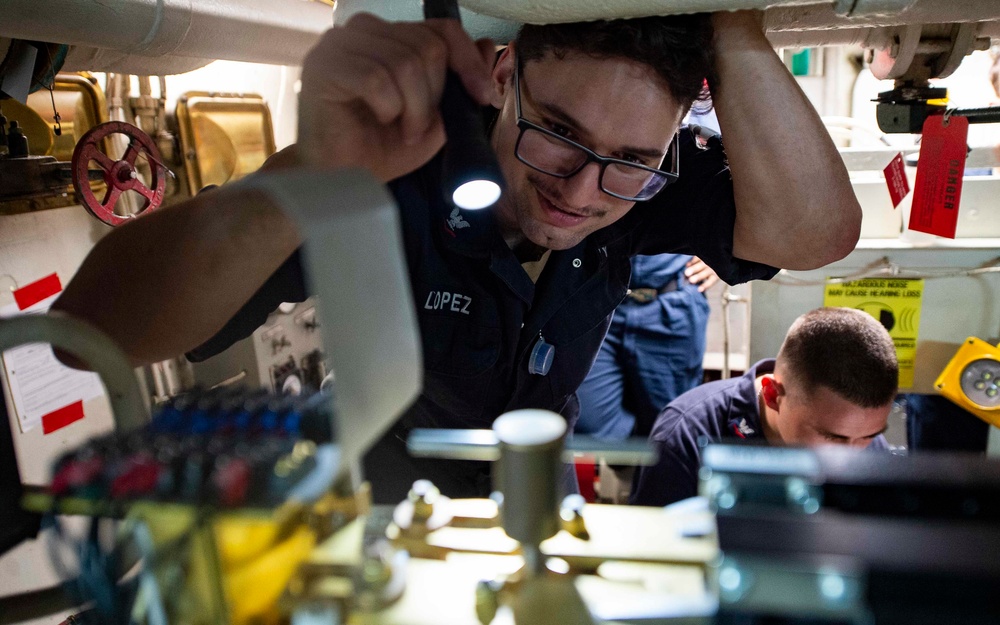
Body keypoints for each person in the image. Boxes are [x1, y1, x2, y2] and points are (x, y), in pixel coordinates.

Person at [53, 11, 862, 503]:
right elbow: (90, 332)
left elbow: (816, 231)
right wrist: (308, 175)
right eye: (559, 134)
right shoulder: (397, 174)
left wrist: (729, 23)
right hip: (380, 491)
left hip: (531, 484)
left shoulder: (635, 185)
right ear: (504, 75)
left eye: (628, 159)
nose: (582, 192)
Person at [630, 307, 897, 507]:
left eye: (870, 435)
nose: (848, 456)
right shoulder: (687, 434)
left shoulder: (864, 441)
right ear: (772, 394)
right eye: (833, 436)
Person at [575, 254, 717, 441]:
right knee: (588, 423)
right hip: (599, 300)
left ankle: (657, 462)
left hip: (671, 303)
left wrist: (724, 259)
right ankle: (635, 461)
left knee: (670, 422)